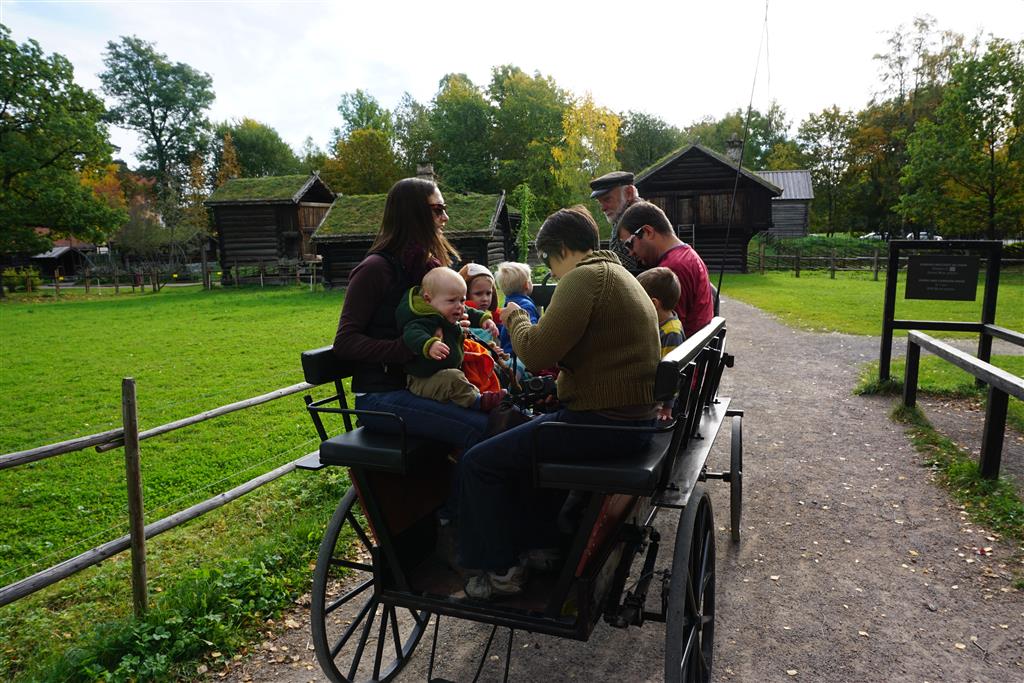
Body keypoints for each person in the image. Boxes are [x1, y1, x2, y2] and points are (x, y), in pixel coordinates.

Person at [456, 205, 661, 599]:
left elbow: (535, 353)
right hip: (633, 421)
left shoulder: (584, 278)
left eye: (549, 260)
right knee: (525, 438)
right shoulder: (619, 274)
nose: (551, 270)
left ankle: (499, 569)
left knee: (478, 462)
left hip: (605, 425)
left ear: (562, 249)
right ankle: (542, 546)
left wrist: (514, 317)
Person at [331, 177, 490, 450]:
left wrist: (454, 323)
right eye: (437, 209)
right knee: (483, 429)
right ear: (412, 214)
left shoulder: (430, 269)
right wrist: (410, 347)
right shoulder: (374, 269)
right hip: (381, 395)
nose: (445, 217)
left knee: (499, 415)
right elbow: (345, 342)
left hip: (424, 384)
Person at [396, 267, 503, 411]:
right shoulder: (422, 318)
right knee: (454, 379)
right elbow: (412, 334)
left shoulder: (446, 307)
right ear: (428, 299)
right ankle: (479, 403)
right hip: (422, 380)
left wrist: (484, 319)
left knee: (465, 373)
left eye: (462, 300)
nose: (459, 306)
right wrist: (430, 344)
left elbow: (469, 311)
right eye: (452, 300)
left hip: (444, 372)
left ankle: (486, 393)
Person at [617, 200, 715, 338]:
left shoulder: (671, 270)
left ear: (647, 232)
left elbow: (667, 332)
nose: (630, 253)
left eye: (629, 244)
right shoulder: (688, 255)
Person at [637, 266, 683, 421]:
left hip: (664, 404)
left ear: (653, 303)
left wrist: (666, 407)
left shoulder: (671, 332)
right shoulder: (661, 324)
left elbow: (671, 375)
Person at [589, 170, 643, 275]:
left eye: (607, 199)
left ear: (629, 193)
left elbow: (623, 273)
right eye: (600, 202)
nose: (603, 208)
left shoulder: (634, 219)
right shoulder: (624, 216)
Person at [494, 261, 539, 355]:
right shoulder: (526, 306)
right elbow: (531, 331)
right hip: (520, 355)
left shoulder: (508, 304)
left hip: (507, 352)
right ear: (526, 285)